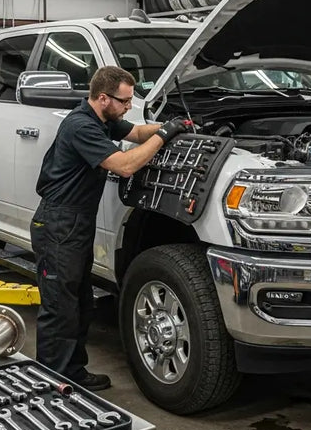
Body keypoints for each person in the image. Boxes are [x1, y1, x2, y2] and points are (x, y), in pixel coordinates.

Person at [30, 66, 193, 391]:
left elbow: (136, 133)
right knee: (60, 307)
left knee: (80, 303)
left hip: (75, 224)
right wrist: (164, 137)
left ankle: (73, 373)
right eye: (124, 101)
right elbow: (126, 164)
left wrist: (173, 127)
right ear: (103, 98)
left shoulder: (103, 118)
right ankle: (51, 383)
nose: (128, 107)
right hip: (58, 223)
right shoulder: (81, 126)